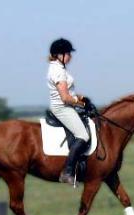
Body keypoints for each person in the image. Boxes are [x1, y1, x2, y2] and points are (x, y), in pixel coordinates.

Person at [47, 38, 90, 186]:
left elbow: (70, 93)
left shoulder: (59, 68)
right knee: (83, 135)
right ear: (59, 54)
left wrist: (82, 98)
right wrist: (81, 103)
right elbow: (65, 98)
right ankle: (67, 172)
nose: (70, 56)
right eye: (68, 54)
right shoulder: (58, 71)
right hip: (62, 108)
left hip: (66, 106)